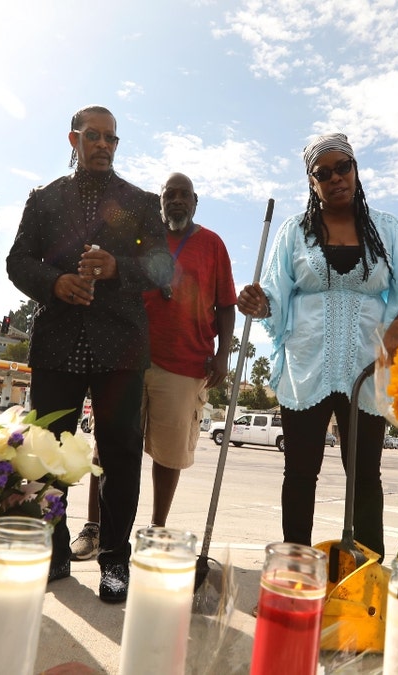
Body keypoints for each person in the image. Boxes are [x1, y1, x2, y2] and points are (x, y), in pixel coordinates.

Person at [238, 133, 398, 560]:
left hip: (367, 368)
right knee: (300, 472)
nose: (335, 178)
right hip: (305, 366)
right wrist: (256, 301)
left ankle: (368, 578)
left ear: (356, 168)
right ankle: (294, 570)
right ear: (312, 182)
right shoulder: (294, 230)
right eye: (322, 173)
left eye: (342, 167)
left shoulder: (386, 228)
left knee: (365, 476)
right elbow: (273, 294)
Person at [6, 105, 172, 602]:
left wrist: (117, 266)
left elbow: (162, 269)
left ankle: (115, 559)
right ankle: (54, 550)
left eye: (112, 139)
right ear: (74, 138)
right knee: (48, 451)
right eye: (93, 136)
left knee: (120, 454)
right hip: (57, 341)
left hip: (121, 346)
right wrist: (55, 282)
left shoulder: (139, 203)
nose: (103, 145)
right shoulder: (43, 200)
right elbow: (17, 262)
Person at [69, 173, 235, 558]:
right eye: (169, 194)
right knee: (107, 449)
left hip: (185, 362)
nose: (176, 201)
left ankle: (157, 531)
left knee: (169, 453)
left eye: (184, 195)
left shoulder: (212, 244)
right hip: (128, 359)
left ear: (196, 203)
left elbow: (225, 303)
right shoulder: (140, 237)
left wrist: (223, 354)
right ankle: (94, 528)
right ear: (159, 201)